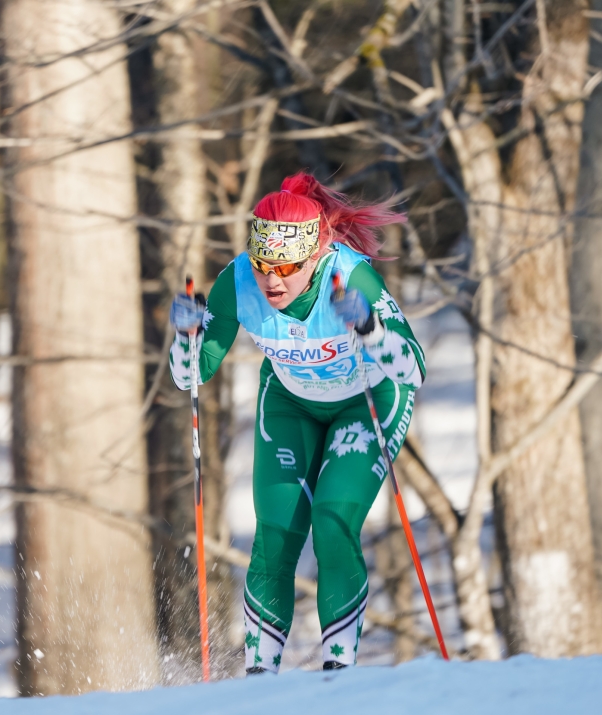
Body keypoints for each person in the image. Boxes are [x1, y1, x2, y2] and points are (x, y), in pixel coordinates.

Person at [168, 173, 425, 673]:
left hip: (366, 400)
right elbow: (191, 376)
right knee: (275, 536)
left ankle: (338, 670)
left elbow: (412, 369)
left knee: (332, 522)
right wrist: (185, 334)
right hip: (291, 402)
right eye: (263, 265)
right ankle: (260, 674)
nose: (273, 281)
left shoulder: (350, 277)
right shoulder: (238, 282)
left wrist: (369, 329)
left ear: (314, 257)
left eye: (287, 267)